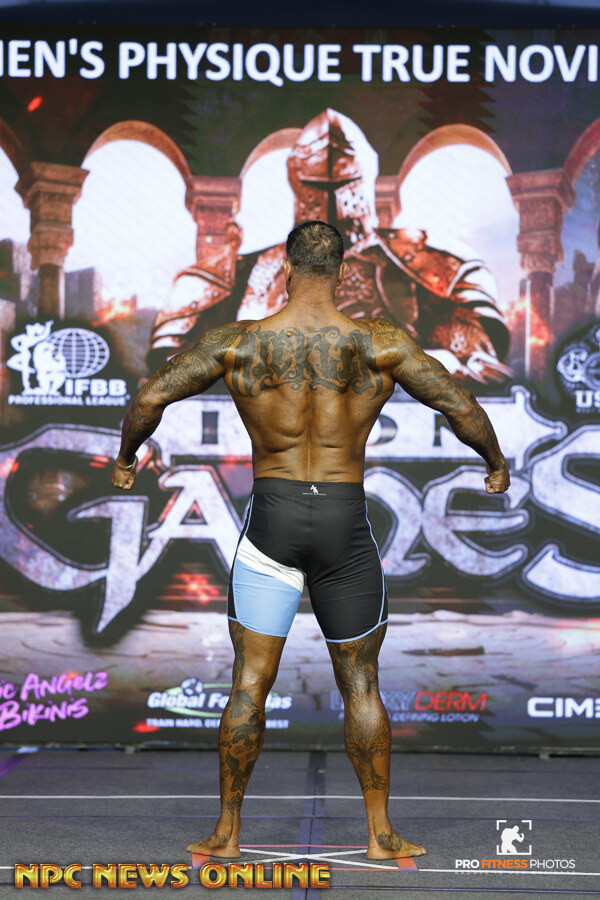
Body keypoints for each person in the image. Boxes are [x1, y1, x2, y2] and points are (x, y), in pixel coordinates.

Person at [112, 220, 510, 861]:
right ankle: (380, 835)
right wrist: (494, 462)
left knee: (250, 681)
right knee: (362, 684)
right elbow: (459, 404)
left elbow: (152, 395)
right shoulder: (378, 343)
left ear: (286, 269)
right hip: (343, 525)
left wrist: (128, 457)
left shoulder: (240, 342)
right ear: (344, 271)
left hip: (273, 518)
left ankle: (227, 834)